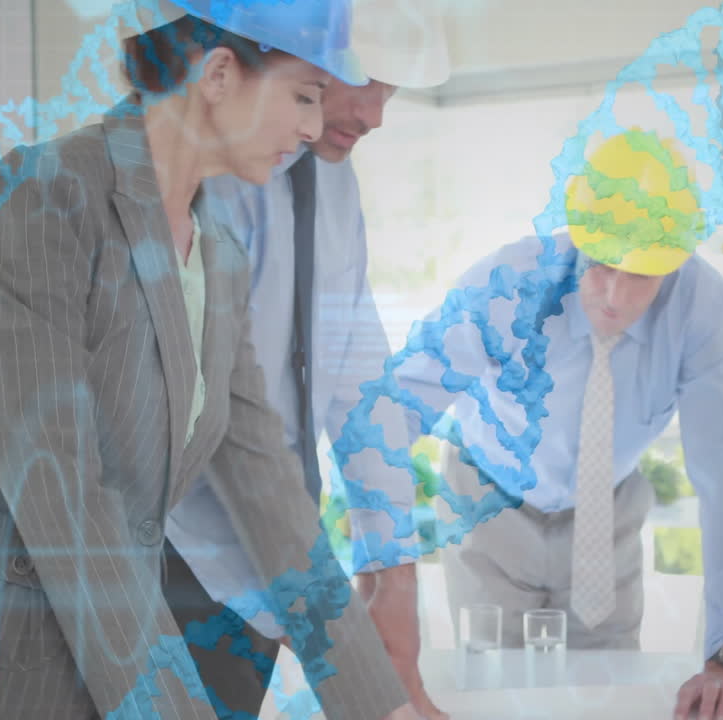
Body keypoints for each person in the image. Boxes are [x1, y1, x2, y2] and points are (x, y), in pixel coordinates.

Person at [0, 0, 418, 718]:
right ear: (220, 74)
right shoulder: (43, 198)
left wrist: (379, 706)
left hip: (104, 669)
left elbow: (270, 495)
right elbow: (65, 495)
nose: (310, 125)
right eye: (303, 94)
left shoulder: (220, 256)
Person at [395, 128, 723, 720]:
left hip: (608, 511)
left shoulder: (703, 307)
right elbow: (394, 413)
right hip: (489, 502)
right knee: (497, 694)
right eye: (601, 266)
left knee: (608, 695)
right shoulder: (508, 285)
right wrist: (375, 585)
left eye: (642, 274)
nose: (614, 296)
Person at [164, 0, 451, 717]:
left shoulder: (332, 181)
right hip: (177, 563)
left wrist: (393, 564)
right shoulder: (204, 173)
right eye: (365, 80)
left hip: (277, 558)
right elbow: (215, 413)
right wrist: (316, 607)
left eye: (393, 90)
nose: (377, 114)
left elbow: (357, 376)